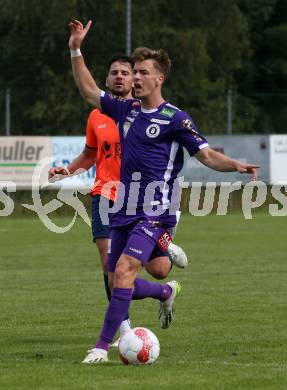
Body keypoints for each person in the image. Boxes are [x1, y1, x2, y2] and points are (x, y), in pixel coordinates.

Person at [67, 19, 259, 364]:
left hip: (155, 212)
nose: (135, 78)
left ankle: (100, 346)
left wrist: (238, 166)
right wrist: (75, 49)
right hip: (123, 209)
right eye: (134, 72)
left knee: (125, 270)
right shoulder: (127, 110)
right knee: (118, 283)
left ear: (159, 79)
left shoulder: (175, 119)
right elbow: (88, 91)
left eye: (142, 72)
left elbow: (208, 155)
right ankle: (166, 291)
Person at [49, 54, 187, 344]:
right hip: (105, 196)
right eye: (115, 73)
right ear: (108, 79)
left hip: (141, 200)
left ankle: (165, 288)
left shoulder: (139, 113)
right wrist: (69, 169)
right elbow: (90, 154)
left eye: (127, 72)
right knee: (112, 271)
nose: (121, 77)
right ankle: (125, 333)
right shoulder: (98, 115)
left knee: (160, 270)